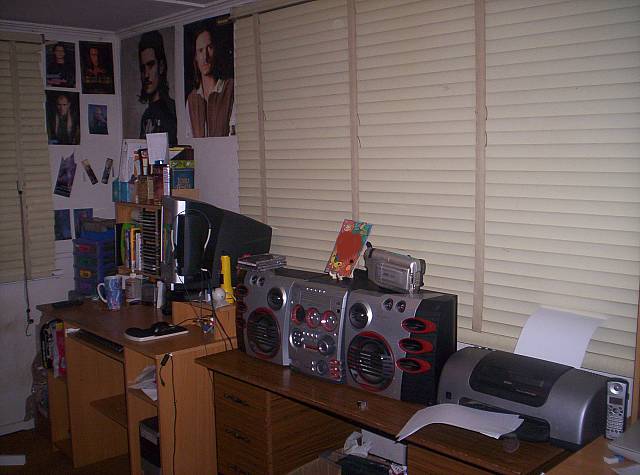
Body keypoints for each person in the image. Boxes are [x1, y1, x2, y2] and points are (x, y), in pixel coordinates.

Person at [186, 27, 234, 138]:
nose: (205, 57)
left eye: (210, 48)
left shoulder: (230, 89)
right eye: (200, 50)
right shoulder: (192, 100)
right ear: (195, 57)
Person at [137, 30, 177, 145]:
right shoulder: (146, 115)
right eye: (143, 68)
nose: (146, 74)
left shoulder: (171, 110)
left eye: (150, 65)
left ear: (161, 66)